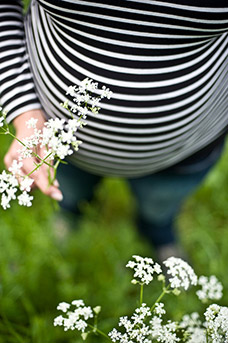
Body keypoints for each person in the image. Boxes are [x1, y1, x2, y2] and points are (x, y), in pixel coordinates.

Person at [1, 0, 228, 260]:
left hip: (186, 147)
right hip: (59, 145)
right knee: (69, 194)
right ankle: (71, 214)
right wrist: (23, 109)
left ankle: (158, 231)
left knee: (160, 206)